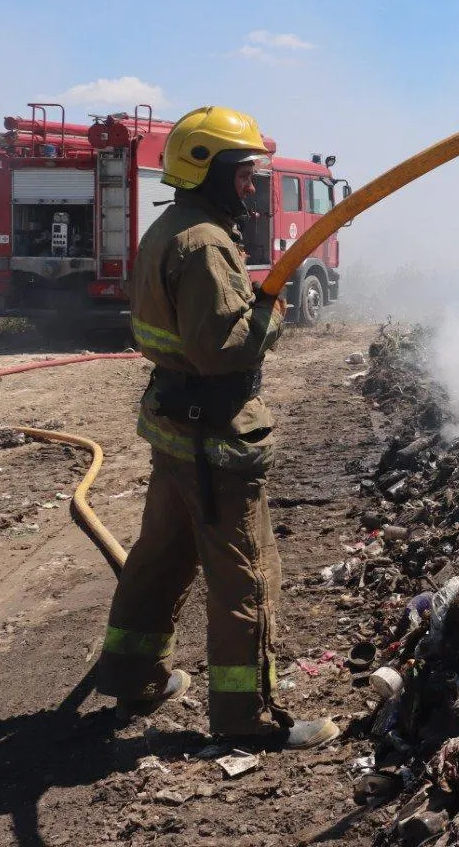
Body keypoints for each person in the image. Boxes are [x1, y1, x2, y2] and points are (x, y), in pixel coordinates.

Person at [94, 105, 337, 750]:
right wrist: (268, 315)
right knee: (245, 576)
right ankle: (244, 718)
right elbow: (221, 351)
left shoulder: (172, 226)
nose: (253, 187)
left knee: (161, 557)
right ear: (210, 172)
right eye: (245, 174)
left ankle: (130, 671)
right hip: (215, 440)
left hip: (178, 431)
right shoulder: (205, 244)